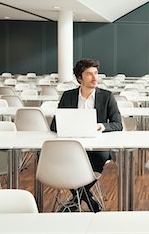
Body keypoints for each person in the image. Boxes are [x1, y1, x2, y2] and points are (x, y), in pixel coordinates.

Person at [50, 58, 122, 212]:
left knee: (101, 156)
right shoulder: (68, 96)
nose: (95, 77)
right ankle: (87, 197)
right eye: (89, 74)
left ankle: (76, 199)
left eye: (96, 73)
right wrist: (71, 128)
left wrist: (101, 126)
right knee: (59, 158)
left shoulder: (107, 96)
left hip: (97, 147)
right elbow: (54, 125)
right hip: (72, 146)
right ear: (79, 78)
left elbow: (118, 124)